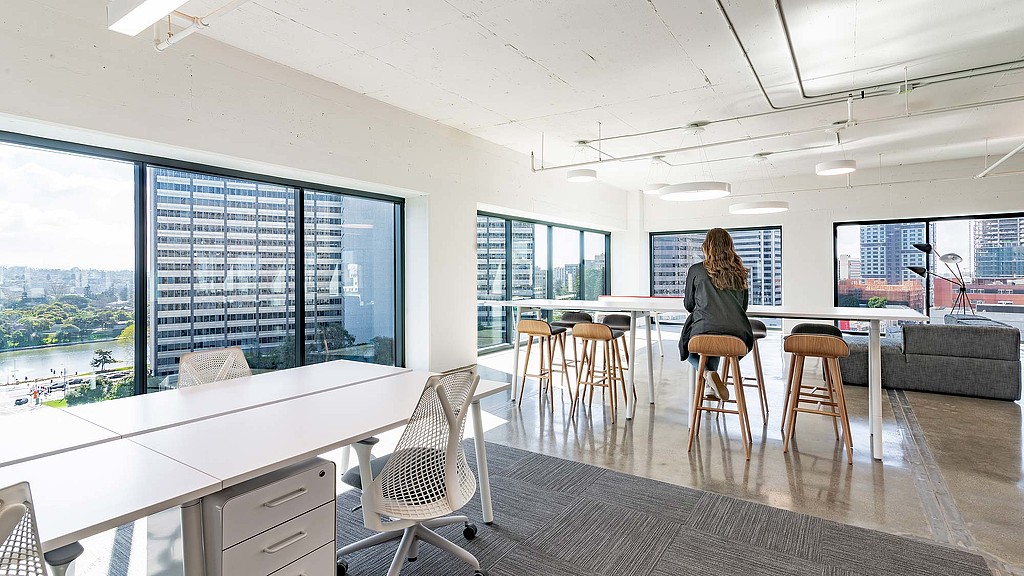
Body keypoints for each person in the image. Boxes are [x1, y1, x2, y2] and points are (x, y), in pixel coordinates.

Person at [678, 228, 753, 401]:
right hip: (738, 336)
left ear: (707, 246)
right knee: (717, 337)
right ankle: (711, 388)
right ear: (730, 247)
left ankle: (708, 374)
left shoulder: (697, 270)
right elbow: (743, 306)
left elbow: (689, 305)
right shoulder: (740, 271)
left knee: (690, 348)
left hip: (704, 330)